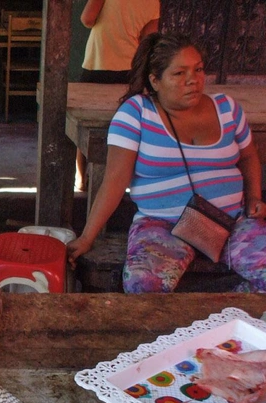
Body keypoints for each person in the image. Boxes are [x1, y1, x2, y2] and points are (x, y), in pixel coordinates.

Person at [67, 33, 266, 293]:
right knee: (144, 286)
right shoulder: (136, 113)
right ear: (155, 81)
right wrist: (87, 236)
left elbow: (249, 156)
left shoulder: (227, 108)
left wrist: (253, 198)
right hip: (162, 225)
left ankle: (227, 319)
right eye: (179, 73)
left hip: (232, 221)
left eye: (198, 69)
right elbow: (115, 181)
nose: (193, 80)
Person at [76, 0, 160, 191]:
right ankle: (119, 179)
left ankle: (81, 178)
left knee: (84, 121)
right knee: (124, 124)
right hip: (129, 70)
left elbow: (87, 19)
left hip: (98, 62)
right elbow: (148, 39)